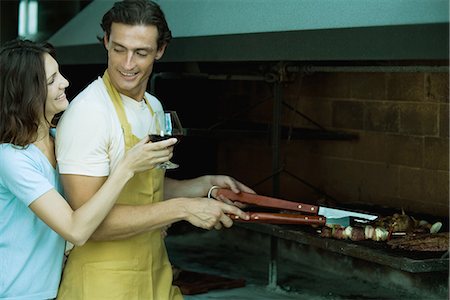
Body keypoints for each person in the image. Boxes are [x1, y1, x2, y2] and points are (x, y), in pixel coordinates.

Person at [55, 0, 253, 299]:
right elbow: (88, 223)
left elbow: (145, 188)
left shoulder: (153, 106)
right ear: (106, 41)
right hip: (102, 282)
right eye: (119, 48)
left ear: (160, 50)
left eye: (141, 52)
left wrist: (201, 187)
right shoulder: (89, 113)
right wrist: (184, 209)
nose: (127, 64)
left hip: (155, 272)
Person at [0, 39, 178, 299]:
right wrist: (127, 165)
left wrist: (200, 190)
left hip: (50, 290)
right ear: (25, 92)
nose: (65, 83)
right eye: (51, 81)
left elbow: (90, 200)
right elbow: (76, 229)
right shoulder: (12, 158)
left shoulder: (57, 138)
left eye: (59, 73)